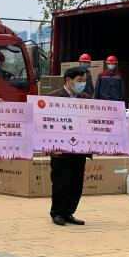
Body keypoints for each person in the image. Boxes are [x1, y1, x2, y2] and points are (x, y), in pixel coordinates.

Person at [49, 67, 91, 226]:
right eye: (80, 80)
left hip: (80, 149)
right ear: (68, 80)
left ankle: (69, 212)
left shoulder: (86, 99)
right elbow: (43, 122)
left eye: (84, 80)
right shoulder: (53, 98)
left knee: (76, 183)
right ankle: (57, 213)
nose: (83, 83)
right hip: (60, 150)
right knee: (61, 182)